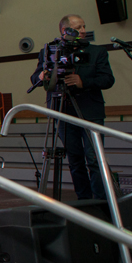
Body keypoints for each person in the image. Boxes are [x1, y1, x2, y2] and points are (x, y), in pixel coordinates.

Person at [31, 14, 114, 200]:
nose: (83, 31)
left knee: (94, 159)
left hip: (90, 111)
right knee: (75, 160)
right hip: (62, 111)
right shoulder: (49, 51)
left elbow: (108, 79)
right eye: (78, 28)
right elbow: (34, 77)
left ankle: (101, 202)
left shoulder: (97, 52)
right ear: (64, 31)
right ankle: (83, 200)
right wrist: (42, 76)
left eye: (84, 26)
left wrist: (83, 82)